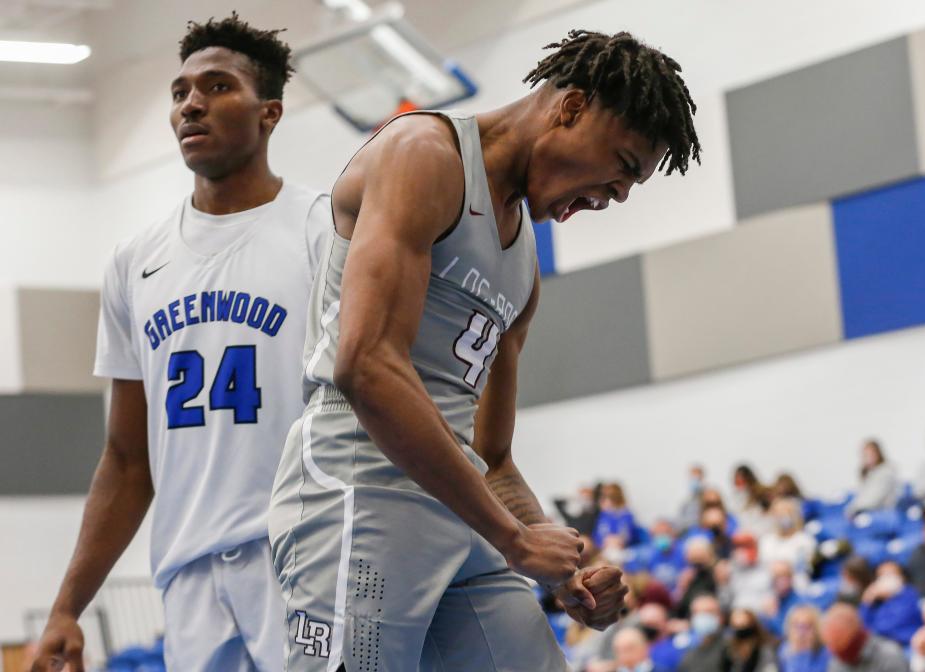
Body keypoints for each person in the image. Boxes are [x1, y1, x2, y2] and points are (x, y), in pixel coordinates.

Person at [268, 29, 700, 671]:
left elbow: (492, 456)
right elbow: (366, 367)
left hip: (458, 499)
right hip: (357, 482)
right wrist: (514, 538)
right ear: (571, 107)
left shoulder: (523, 262)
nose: (616, 194)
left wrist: (563, 571)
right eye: (624, 165)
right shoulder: (424, 153)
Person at [31, 15, 326, 672]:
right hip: (189, 577)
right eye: (180, 91)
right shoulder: (135, 262)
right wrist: (66, 608)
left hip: (307, 561)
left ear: (269, 112)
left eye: (218, 87)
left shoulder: (326, 231)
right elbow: (128, 460)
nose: (191, 103)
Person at [819, 603, 908, 671]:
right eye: (829, 643)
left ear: (854, 633)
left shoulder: (889, 655)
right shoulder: (836, 662)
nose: (832, 649)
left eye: (837, 640)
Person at [859, 561, 923, 647]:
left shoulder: (910, 594)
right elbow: (863, 627)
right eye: (882, 576)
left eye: (891, 574)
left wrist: (878, 632)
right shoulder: (876, 603)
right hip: (883, 649)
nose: (886, 579)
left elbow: (900, 622)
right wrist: (867, 601)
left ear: (901, 577)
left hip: (907, 645)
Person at [759, 497, 816, 580]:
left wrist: (786, 569)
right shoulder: (766, 540)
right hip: (770, 583)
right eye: (778, 514)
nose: (782, 517)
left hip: (796, 582)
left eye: (787, 513)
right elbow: (763, 565)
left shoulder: (804, 540)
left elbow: (803, 567)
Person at [846, 439, 899, 516]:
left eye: (870, 454)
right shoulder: (869, 473)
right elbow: (861, 498)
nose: (867, 458)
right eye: (865, 455)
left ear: (878, 454)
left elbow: (874, 500)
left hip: (882, 514)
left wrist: (855, 509)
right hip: (868, 512)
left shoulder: (886, 473)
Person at [677, 594, 726, 672]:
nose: (703, 616)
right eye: (698, 613)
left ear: (720, 616)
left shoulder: (731, 646)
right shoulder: (687, 650)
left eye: (709, 612)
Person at [724, 608, 779, 672]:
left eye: (744, 625)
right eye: (737, 626)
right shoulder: (730, 651)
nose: (741, 629)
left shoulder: (764, 650)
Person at [779, 605, 830, 672]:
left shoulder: (825, 653)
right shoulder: (784, 651)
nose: (801, 632)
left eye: (807, 626)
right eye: (796, 625)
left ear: (816, 629)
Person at [732, 464, 772, 536]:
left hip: (761, 532)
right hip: (743, 533)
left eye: (742, 479)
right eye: (737, 480)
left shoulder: (761, 494)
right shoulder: (735, 497)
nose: (739, 482)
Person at [678, 464, 707, 532]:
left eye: (697, 478)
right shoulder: (686, 500)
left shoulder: (708, 497)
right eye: (692, 477)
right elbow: (679, 519)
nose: (694, 480)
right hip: (686, 532)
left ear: (702, 478)